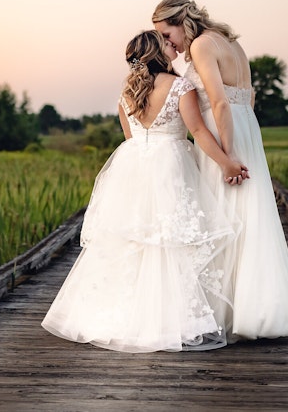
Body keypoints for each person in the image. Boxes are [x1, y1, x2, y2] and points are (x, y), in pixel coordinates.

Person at [42, 30, 245, 353]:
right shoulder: (180, 87)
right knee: (168, 241)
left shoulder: (127, 93)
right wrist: (226, 162)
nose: (172, 44)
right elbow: (197, 132)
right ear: (158, 53)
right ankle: (169, 321)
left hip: (134, 167)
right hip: (171, 167)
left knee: (135, 242)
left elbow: (131, 138)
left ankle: (126, 319)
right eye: (166, 42)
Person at [152, 0, 288, 341]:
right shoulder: (230, 42)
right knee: (249, 215)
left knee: (222, 217)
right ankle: (256, 311)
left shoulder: (201, 46)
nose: (166, 42)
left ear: (182, 23)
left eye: (166, 34)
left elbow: (219, 101)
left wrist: (228, 156)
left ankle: (226, 313)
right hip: (246, 124)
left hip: (225, 133)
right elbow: (247, 98)